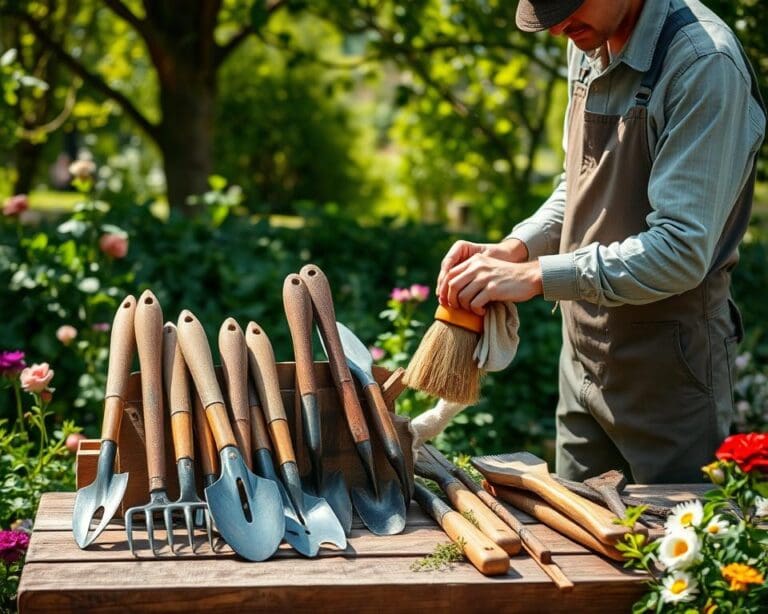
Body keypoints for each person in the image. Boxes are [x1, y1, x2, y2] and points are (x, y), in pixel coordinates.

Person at [436, 0, 766, 483]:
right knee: (579, 545)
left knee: (670, 551)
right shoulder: (587, 38)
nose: (557, 29)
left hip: (669, 375)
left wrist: (533, 277)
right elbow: (580, 184)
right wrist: (515, 248)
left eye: (567, 6)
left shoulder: (702, 65)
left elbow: (680, 250)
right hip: (582, 361)